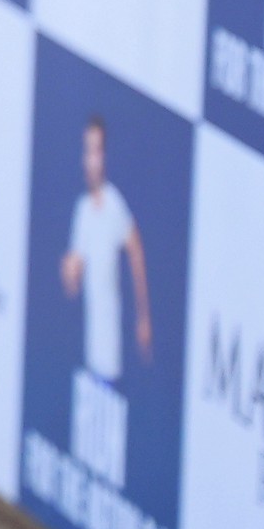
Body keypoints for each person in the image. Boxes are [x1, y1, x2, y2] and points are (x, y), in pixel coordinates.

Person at [59, 116, 151, 383]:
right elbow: (73, 282)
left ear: (105, 156)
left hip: (113, 347)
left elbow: (136, 252)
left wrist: (143, 318)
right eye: (87, 151)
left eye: (97, 151)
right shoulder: (82, 210)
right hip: (90, 346)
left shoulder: (114, 204)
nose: (92, 161)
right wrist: (69, 273)